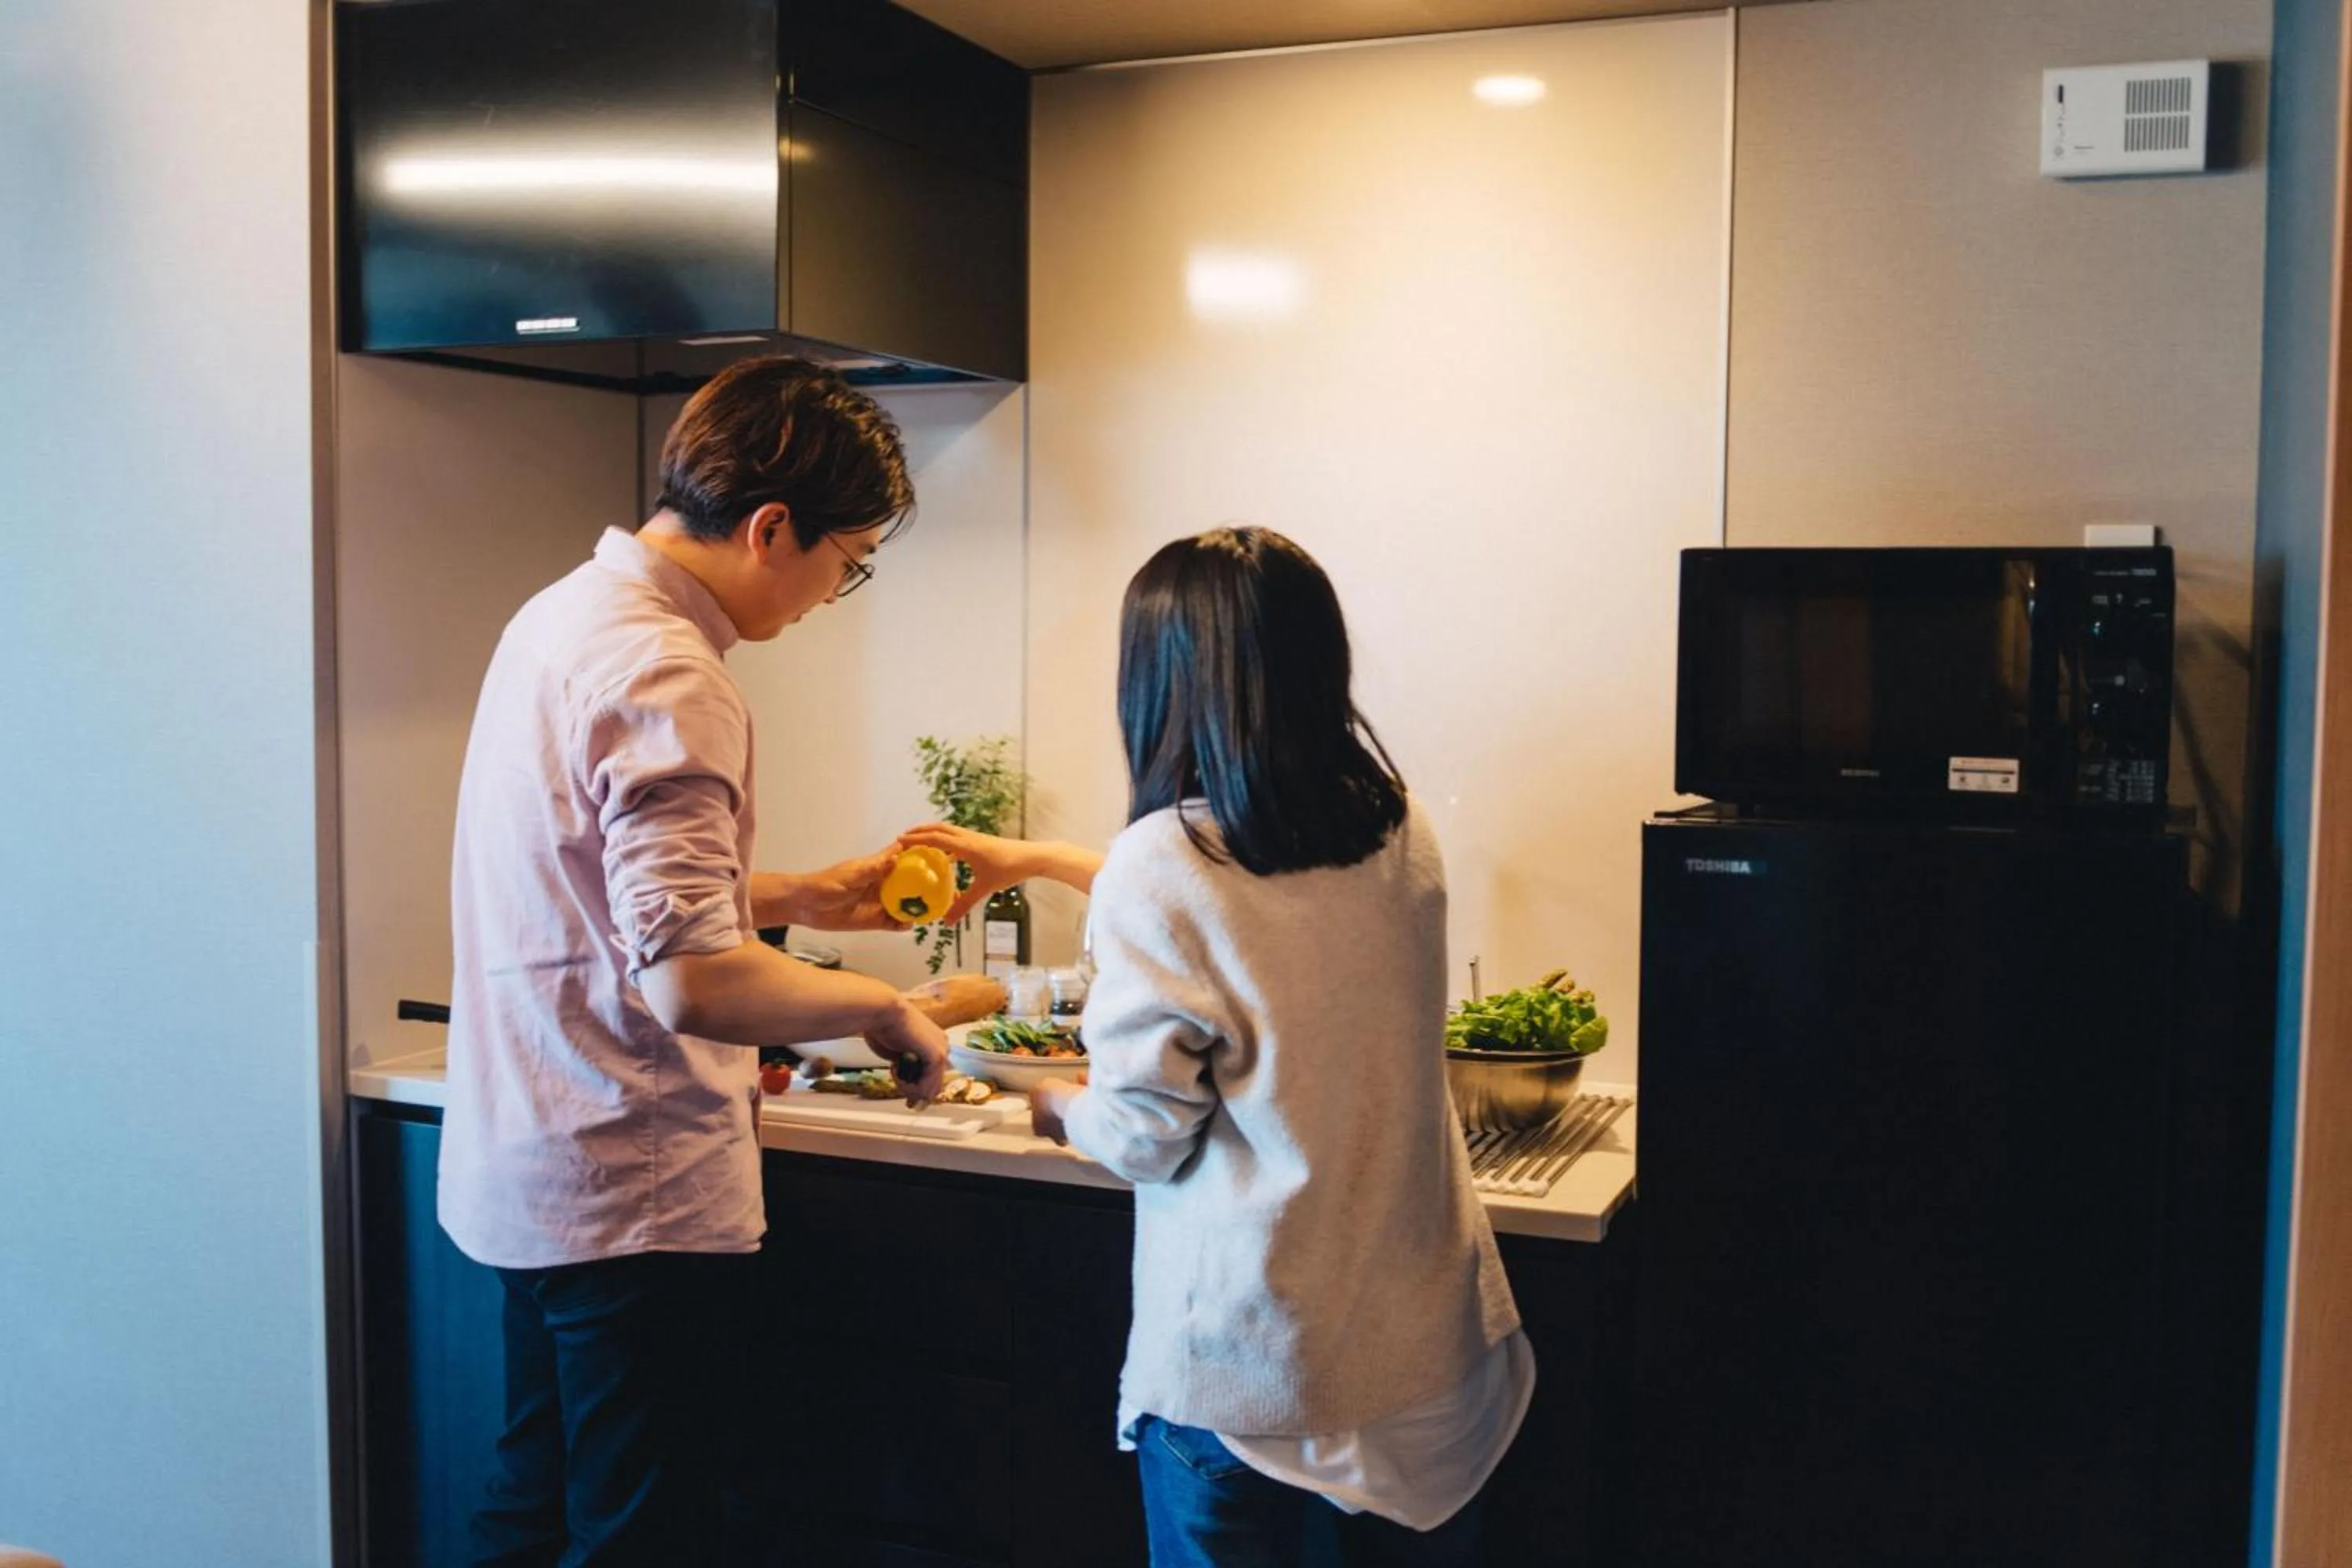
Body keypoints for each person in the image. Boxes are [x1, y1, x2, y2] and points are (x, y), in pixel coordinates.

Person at [438, 355, 1001, 1567]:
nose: (833, 594)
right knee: (643, 1538)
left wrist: (804, 895)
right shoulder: (670, 671)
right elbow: (692, 980)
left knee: (529, 1510)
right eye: (849, 562)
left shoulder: (561, 616)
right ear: (772, 527)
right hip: (631, 1188)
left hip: (533, 1161)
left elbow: (593, 883)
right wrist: (884, 1009)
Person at [906, 528, 1530, 1566]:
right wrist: (1041, 858)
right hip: (1420, 1360)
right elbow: (1255, 904)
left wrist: (1060, 1106)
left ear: (1162, 682)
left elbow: (1143, 1135)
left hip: (1255, 1381)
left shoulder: (1162, 865)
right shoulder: (1396, 826)